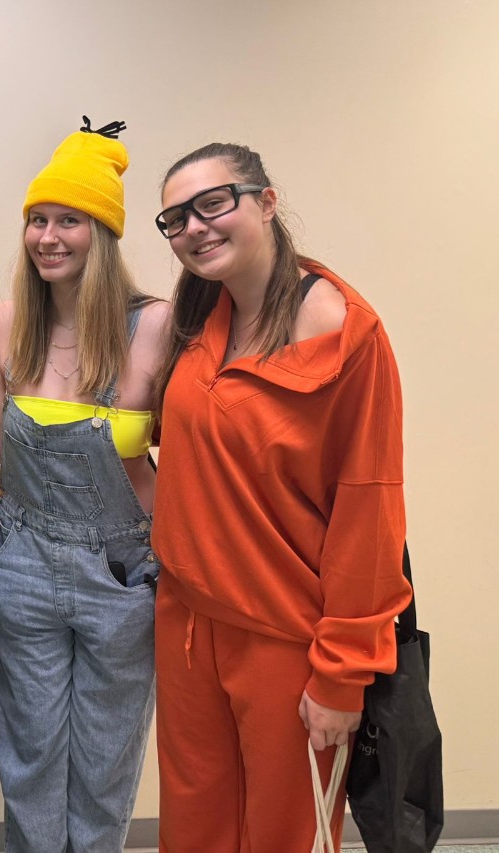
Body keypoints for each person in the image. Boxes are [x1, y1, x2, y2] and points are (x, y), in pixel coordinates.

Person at [150, 142, 411, 851]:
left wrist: (342, 671)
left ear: (266, 201)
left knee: (283, 834)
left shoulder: (344, 333)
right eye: (175, 218)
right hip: (187, 620)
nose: (194, 228)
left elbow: (369, 509)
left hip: (285, 635)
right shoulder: (201, 309)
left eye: (214, 203)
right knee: (194, 821)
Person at [0, 119, 168, 851]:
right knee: (32, 753)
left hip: (124, 570)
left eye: (68, 220)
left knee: (106, 758)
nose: (47, 235)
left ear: (101, 233)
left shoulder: (155, 326)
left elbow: (201, 452)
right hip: (25, 562)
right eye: (37, 219)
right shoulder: (8, 323)